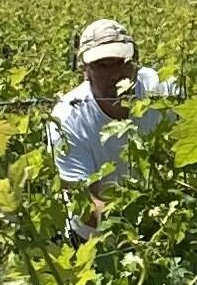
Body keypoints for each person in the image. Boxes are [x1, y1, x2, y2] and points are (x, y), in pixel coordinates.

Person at [47, 15, 171, 195]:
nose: (115, 75)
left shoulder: (162, 91)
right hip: (102, 213)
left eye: (122, 63)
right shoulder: (67, 121)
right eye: (103, 66)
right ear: (85, 70)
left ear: (136, 61)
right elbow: (86, 203)